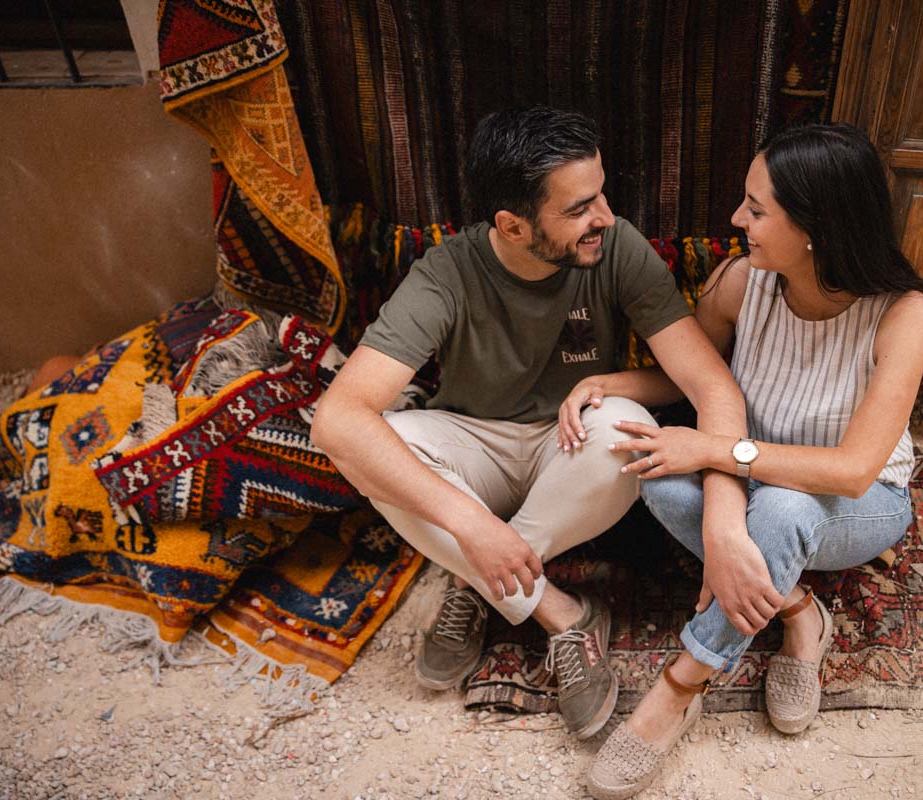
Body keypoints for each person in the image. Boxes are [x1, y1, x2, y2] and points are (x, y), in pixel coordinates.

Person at [311, 106, 754, 740]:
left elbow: (710, 383)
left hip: (570, 450)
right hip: (475, 453)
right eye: (578, 208)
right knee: (379, 444)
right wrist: (471, 525)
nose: (602, 215)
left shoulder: (616, 246)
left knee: (627, 426)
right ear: (512, 226)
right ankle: (562, 613)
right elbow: (337, 418)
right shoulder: (446, 271)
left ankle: (478, 576)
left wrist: (723, 524)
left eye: (600, 193)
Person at [576, 123, 923, 799]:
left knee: (783, 505)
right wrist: (611, 387)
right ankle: (800, 613)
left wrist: (714, 451)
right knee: (649, 462)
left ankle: (678, 689)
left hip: (858, 502)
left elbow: (853, 469)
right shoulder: (741, 282)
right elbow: (698, 382)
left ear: (815, 226)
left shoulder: (905, 314)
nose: (737, 218)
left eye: (757, 207)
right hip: (748, 480)